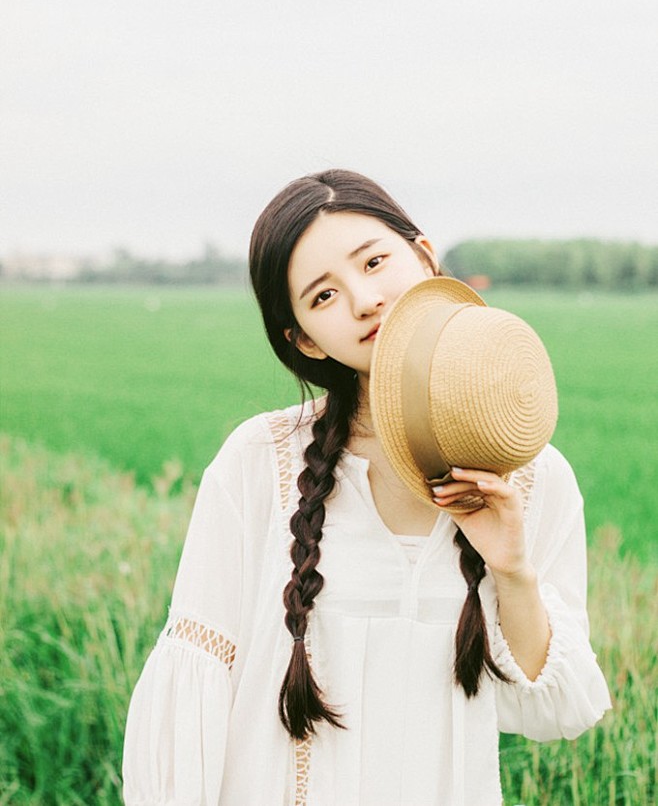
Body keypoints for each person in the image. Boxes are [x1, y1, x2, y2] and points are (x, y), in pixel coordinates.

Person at [122, 169, 611, 806]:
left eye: (375, 261)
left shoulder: (533, 476)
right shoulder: (259, 463)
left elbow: (557, 712)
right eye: (322, 297)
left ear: (426, 257)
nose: (364, 299)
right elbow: (191, 698)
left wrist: (512, 569)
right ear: (301, 338)